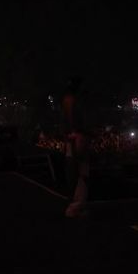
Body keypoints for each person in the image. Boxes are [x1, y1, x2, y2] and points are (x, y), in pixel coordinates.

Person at [61, 76, 90, 217]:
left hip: (73, 137)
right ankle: (75, 207)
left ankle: (75, 205)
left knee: (76, 171)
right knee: (81, 172)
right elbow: (76, 120)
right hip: (77, 137)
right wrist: (76, 133)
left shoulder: (67, 100)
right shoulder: (73, 101)